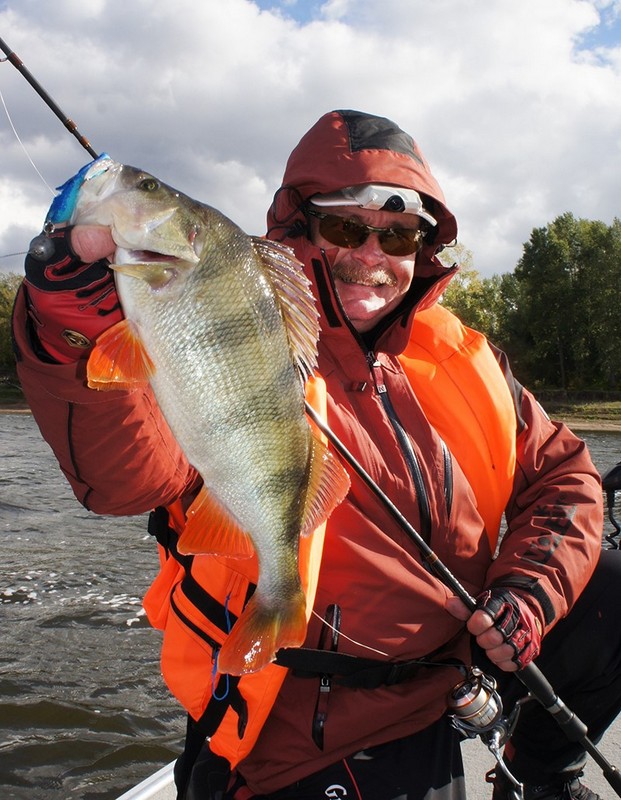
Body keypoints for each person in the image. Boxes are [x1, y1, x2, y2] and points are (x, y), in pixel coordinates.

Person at [12, 109, 621, 800]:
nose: (372, 255)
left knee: (613, 592)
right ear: (299, 230)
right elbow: (124, 479)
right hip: (307, 727)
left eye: (398, 235)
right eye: (345, 229)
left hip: (450, 676)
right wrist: (68, 328)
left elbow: (565, 474)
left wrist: (528, 594)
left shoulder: (462, 354)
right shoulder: (232, 331)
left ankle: (543, 777)